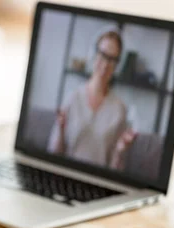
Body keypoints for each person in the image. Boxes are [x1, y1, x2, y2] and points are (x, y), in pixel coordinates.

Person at [47, 29, 137, 170]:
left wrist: (120, 151)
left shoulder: (120, 109)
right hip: (66, 174)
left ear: (117, 65)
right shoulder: (73, 97)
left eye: (112, 59)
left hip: (98, 182)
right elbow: (54, 154)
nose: (106, 64)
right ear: (94, 54)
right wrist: (60, 129)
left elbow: (116, 171)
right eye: (103, 55)